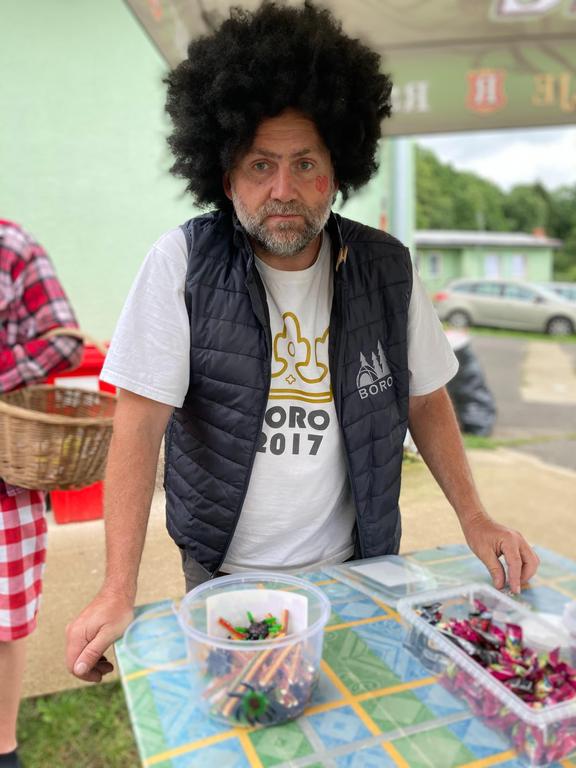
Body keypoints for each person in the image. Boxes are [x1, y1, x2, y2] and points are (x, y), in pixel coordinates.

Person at [66, 2, 539, 684]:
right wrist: (117, 588)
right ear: (225, 176)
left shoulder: (386, 268)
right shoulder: (181, 264)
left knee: (359, 713)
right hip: (223, 574)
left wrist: (476, 518)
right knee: (249, 717)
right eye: (260, 165)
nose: (283, 190)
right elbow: (138, 428)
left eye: (305, 164)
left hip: (358, 570)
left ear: (337, 171)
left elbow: (426, 398)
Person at [0, 220, 83, 768]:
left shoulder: (10, 247)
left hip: (3, 474)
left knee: (4, 623)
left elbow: (64, 342)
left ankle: (3, 747)